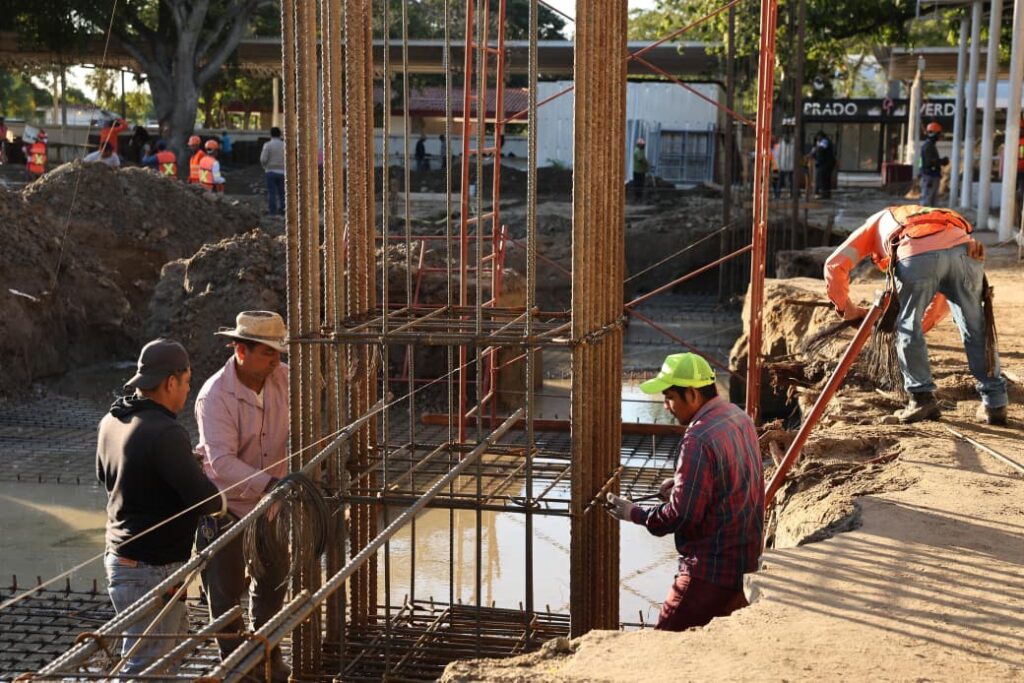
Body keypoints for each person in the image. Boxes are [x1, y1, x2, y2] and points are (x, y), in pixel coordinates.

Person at [605, 352, 764, 631]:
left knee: (665, 640)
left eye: (669, 397)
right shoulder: (738, 417)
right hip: (745, 561)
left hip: (709, 570)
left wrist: (636, 514)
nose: (666, 406)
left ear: (691, 394)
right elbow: (733, 480)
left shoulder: (697, 438)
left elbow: (682, 516)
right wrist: (684, 484)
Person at [97, 339, 226, 674]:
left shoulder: (111, 421)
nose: (187, 391)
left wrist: (178, 465)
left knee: (157, 662)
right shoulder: (166, 432)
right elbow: (206, 500)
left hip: (119, 561)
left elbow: (109, 477)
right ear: (170, 381)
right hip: (152, 570)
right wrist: (221, 496)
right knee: (146, 670)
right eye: (186, 382)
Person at [824, 205, 1008, 425]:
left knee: (907, 325)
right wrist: (921, 324)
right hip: (969, 251)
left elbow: (834, 265)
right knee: (976, 326)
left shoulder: (875, 223)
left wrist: (847, 309)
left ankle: (922, 399)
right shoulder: (927, 214)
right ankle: (995, 403)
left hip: (917, 253)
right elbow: (940, 299)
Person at [195, 311, 290, 682]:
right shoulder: (215, 395)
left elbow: (319, 408)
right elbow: (221, 462)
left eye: (278, 352)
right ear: (240, 350)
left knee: (274, 580)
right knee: (226, 592)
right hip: (227, 507)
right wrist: (270, 484)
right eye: (267, 352)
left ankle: (268, 655)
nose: (275, 360)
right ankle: (237, 668)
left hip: (271, 505)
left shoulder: (284, 378)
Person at [918, 122, 948, 207]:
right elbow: (930, 162)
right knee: (927, 199)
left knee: (932, 200)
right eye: (938, 134)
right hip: (929, 176)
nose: (939, 137)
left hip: (931, 175)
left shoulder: (929, 145)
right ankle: (924, 218)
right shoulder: (928, 146)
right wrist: (942, 161)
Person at [260, 126, 285, 215]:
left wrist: (265, 167)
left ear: (270, 134)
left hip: (270, 171)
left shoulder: (268, 145)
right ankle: (283, 209)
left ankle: (272, 211)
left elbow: (263, 159)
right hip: (283, 172)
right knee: (282, 192)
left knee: (272, 193)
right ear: (280, 134)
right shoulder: (284, 145)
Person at [810, 130, 835, 199]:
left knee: (823, 178)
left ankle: (824, 193)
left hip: (826, 163)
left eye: (819, 137)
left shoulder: (825, 141)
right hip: (822, 163)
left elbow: (821, 149)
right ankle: (823, 193)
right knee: (822, 178)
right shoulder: (818, 142)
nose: (818, 139)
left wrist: (814, 152)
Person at [773, 131, 794, 199]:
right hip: (782, 166)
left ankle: (792, 194)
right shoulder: (779, 146)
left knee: (792, 182)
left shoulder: (793, 145)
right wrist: (778, 166)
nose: (787, 138)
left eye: (788, 137)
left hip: (791, 166)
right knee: (780, 182)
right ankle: (777, 195)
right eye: (785, 137)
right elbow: (776, 156)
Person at [632, 137, 649, 201]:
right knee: (638, 184)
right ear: (639, 145)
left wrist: (647, 163)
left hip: (641, 170)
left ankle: (640, 197)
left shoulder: (641, 150)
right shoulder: (637, 151)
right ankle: (637, 197)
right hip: (638, 171)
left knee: (641, 184)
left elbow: (643, 158)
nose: (644, 146)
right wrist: (647, 164)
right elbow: (640, 159)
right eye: (643, 145)